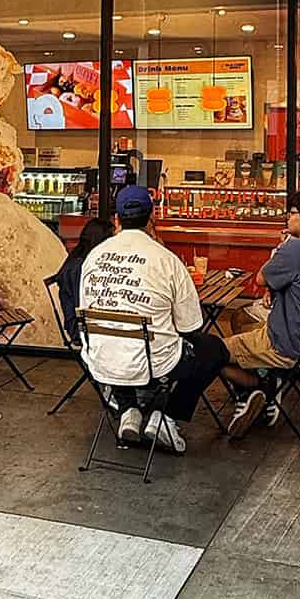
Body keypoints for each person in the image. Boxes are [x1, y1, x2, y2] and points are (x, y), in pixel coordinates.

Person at [78, 184, 228, 454]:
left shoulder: (93, 257)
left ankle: (129, 410)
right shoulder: (166, 260)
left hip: (101, 360)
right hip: (154, 364)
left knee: (119, 345)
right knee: (213, 350)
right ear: (152, 217)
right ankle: (166, 418)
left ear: (116, 219)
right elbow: (191, 326)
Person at [223, 188, 300, 439]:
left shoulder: (297, 248)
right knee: (242, 325)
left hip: (283, 344)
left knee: (208, 353)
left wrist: (284, 247)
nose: (287, 217)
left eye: (292, 213)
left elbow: (262, 277)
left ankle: (258, 388)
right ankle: (263, 383)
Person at [55, 217, 113, 339]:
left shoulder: (79, 259)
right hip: (82, 329)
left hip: (85, 324)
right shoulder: (80, 268)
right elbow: (82, 306)